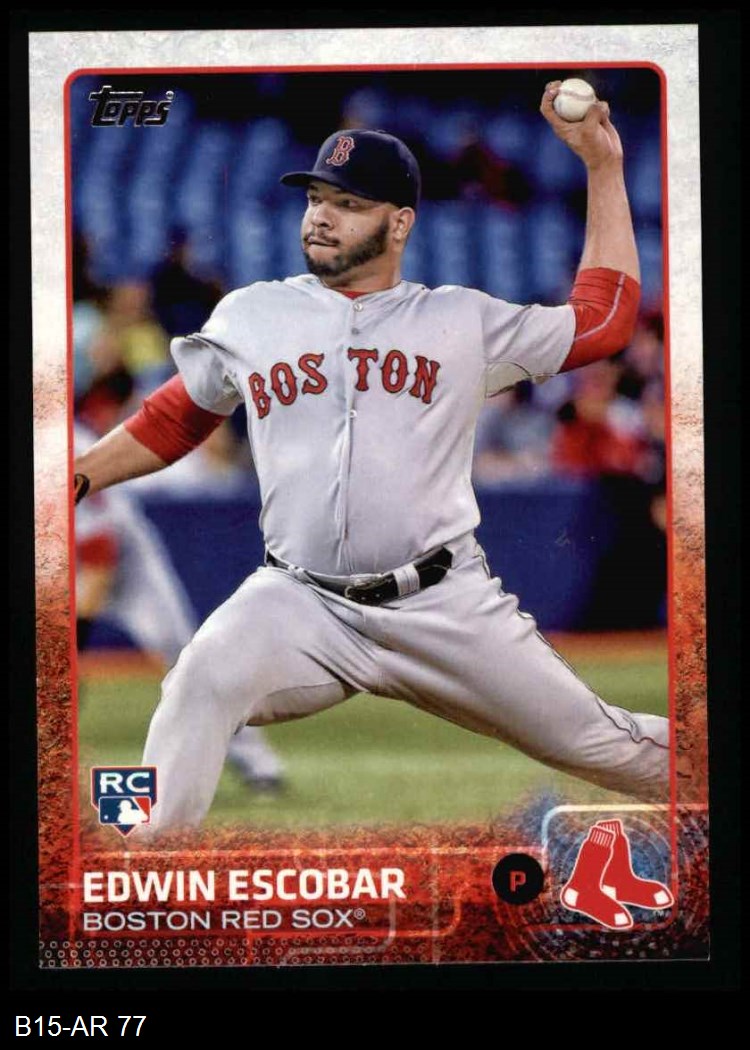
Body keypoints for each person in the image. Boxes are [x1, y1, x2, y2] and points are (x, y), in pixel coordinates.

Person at [74, 83, 669, 833]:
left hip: (441, 604)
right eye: (316, 197)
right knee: (198, 679)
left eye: (348, 203)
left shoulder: (459, 320)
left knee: (611, 748)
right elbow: (177, 416)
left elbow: (604, 322)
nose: (321, 215)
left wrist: (603, 168)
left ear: (399, 223)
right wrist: (74, 478)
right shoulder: (252, 314)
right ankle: (141, 876)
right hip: (298, 598)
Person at [75, 424, 286, 794]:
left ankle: (258, 764)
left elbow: (98, 558)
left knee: (185, 656)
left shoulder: (64, 448)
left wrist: (72, 645)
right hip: (56, 563)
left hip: (126, 565)